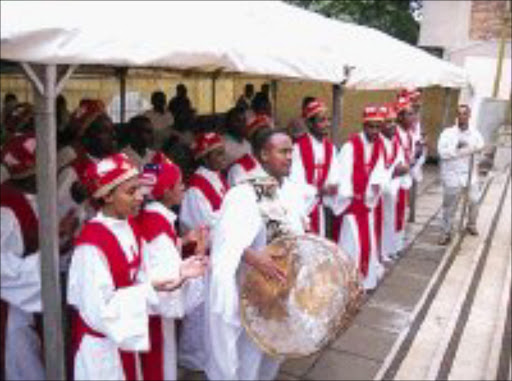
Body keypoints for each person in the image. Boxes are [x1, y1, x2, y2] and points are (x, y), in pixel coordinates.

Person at [67, 152, 202, 380]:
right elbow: (99, 310)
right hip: (103, 350)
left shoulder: (128, 226)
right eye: (131, 191)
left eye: (139, 188)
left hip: (123, 338)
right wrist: (150, 290)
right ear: (107, 196)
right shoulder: (91, 246)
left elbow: (141, 277)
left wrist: (178, 273)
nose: (141, 196)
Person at [205, 128, 315, 381]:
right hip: (252, 292)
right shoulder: (243, 194)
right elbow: (223, 239)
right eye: (283, 151)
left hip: (279, 290)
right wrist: (254, 258)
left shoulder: (289, 191)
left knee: (272, 353)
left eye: (291, 152)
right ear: (264, 154)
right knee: (248, 356)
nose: (290, 157)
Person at [0, 133, 78, 380]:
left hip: (29, 302)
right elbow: (7, 269)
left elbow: (37, 243)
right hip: (14, 309)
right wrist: (52, 248)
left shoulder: (31, 197)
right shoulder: (7, 210)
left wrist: (59, 238)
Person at [137, 153, 209, 380]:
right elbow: (170, 278)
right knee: (158, 366)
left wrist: (183, 241)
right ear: (167, 191)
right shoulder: (157, 224)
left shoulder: (153, 217)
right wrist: (198, 254)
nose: (184, 187)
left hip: (151, 314)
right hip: (156, 318)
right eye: (179, 184)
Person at [178, 132, 228, 372]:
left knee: (212, 307)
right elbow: (203, 224)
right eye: (217, 153)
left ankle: (209, 352)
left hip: (215, 252)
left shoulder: (217, 177)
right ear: (205, 157)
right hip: (200, 254)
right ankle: (193, 356)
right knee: (199, 310)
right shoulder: (196, 187)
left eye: (222, 151)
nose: (223, 156)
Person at [334, 105, 389, 291]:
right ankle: (348, 284)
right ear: (364, 125)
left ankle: (366, 281)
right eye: (371, 126)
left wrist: (376, 184)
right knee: (352, 245)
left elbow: (380, 170)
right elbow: (342, 174)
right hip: (351, 205)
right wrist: (351, 195)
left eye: (377, 127)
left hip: (366, 205)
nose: (374, 131)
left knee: (367, 245)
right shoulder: (350, 147)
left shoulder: (379, 145)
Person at [57, 99, 117, 227]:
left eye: (112, 130)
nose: (113, 135)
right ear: (86, 137)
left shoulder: (114, 164)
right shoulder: (72, 171)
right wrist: (75, 200)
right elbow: (57, 214)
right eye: (105, 131)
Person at [288, 98, 338, 237]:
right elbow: (295, 183)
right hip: (305, 206)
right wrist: (317, 191)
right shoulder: (298, 148)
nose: (327, 124)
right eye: (322, 120)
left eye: (328, 120)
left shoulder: (330, 148)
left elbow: (334, 175)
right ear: (310, 123)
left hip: (321, 206)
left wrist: (332, 186)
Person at [437, 104, 484, 245]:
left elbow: (479, 148)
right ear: (456, 116)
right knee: (449, 205)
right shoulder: (447, 133)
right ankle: (446, 232)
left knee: (475, 200)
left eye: (465, 114)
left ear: (469, 116)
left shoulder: (475, 134)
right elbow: (442, 153)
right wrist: (457, 149)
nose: (462, 117)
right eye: (459, 114)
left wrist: (467, 151)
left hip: (469, 173)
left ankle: (471, 224)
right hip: (451, 174)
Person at [376, 104, 410, 262]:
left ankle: (388, 250)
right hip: (378, 193)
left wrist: (402, 170)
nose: (392, 125)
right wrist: (393, 173)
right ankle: (379, 253)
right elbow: (377, 170)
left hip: (392, 190)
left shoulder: (395, 143)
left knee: (391, 221)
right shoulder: (377, 143)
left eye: (393, 121)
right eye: (387, 122)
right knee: (379, 224)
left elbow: (401, 164)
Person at [226, 114, 271, 186]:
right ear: (252, 140)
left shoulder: (274, 162)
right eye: (262, 135)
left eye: (269, 134)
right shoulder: (240, 169)